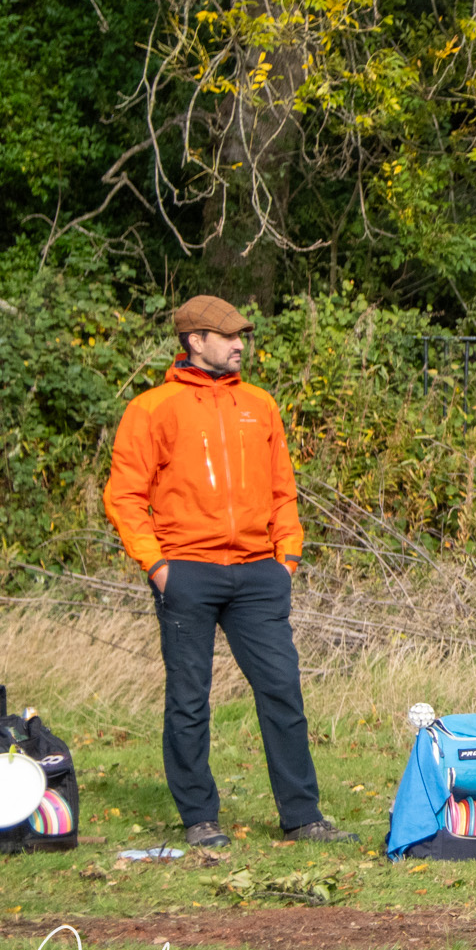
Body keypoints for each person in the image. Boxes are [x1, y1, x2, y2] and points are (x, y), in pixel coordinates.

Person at [102, 295, 355, 849]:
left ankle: (303, 817)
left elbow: (283, 488)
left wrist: (286, 557)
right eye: (229, 335)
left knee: (283, 689)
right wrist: (159, 567)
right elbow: (124, 497)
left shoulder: (260, 405)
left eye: (243, 334)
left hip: (259, 574)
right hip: (186, 572)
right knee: (189, 698)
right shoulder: (152, 408)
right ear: (195, 341)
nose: (241, 344)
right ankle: (199, 819)